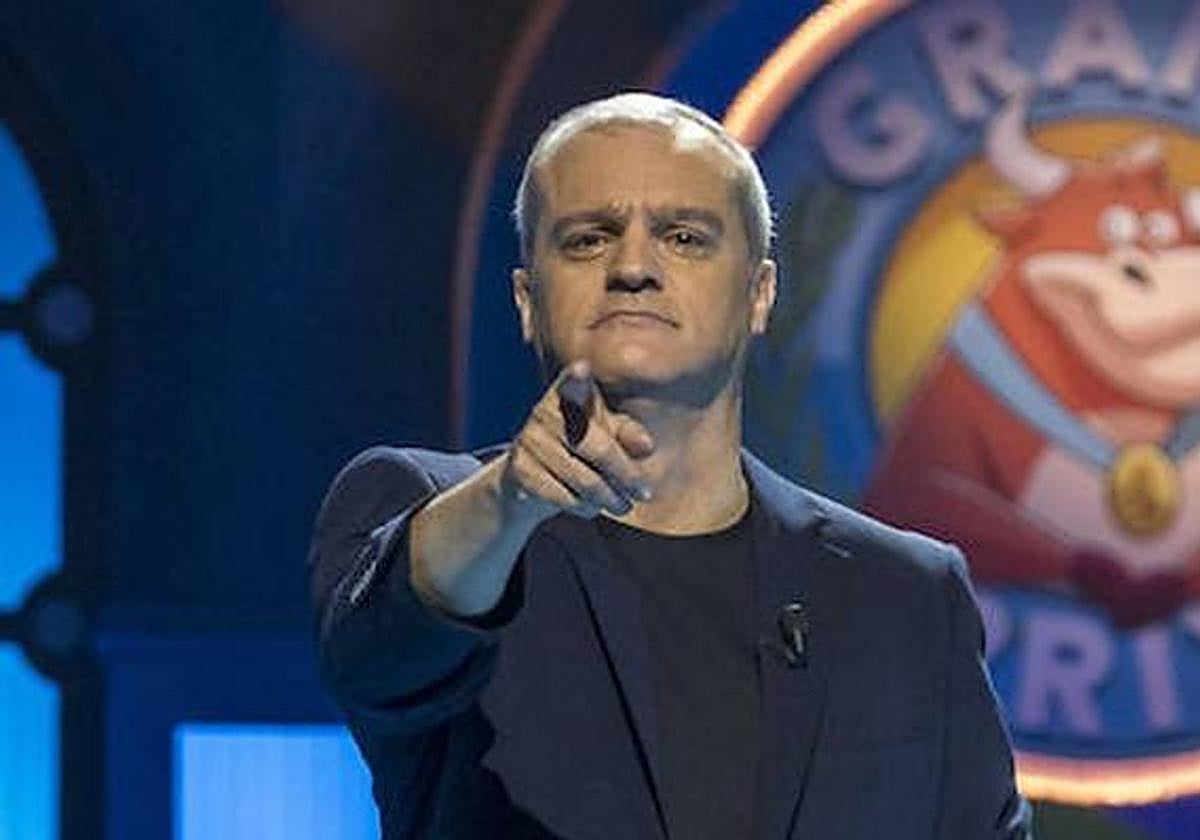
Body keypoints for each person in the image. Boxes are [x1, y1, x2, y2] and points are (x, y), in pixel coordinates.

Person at [309, 92, 1032, 840]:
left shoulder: (908, 595)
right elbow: (379, 655)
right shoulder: (437, 513)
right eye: (588, 239)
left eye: (684, 237)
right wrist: (510, 502)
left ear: (760, 293)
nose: (632, 267)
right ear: (527, 300)